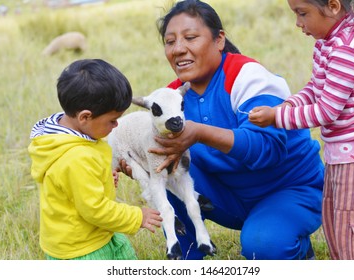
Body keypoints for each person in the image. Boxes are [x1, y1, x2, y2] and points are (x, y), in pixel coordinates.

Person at [119, 0, 324, 260]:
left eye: (190, 37)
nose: (179, 49)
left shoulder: (248, 77)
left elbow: (268, 149)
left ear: (219, 40)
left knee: (263, 244)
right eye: (170, 42)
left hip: (290, 190)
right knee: (163, 166)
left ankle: (295, 246)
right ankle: (188, 256)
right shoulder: (172, 99)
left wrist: (199, 132)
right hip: (231, 198)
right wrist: (134, 161)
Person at [249, 0, 354, 260]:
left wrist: (278, 116)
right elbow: (316, 88)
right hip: (342, 156)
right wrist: (289, 104)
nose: (298, 23)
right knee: (336, 225)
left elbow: (326, 111)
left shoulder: (346, 50)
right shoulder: (328, 42)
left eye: (302, 13)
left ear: (332, 5)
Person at [28, 59, 162, 260]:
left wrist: (102, 178)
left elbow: (72, 186)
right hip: (83, 249)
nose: (116, 125)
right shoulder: (76, 158)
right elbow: (95, 210)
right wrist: (137, 217)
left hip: (87, 235)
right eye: (112, 120)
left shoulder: (65, 135)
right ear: (85, 117)